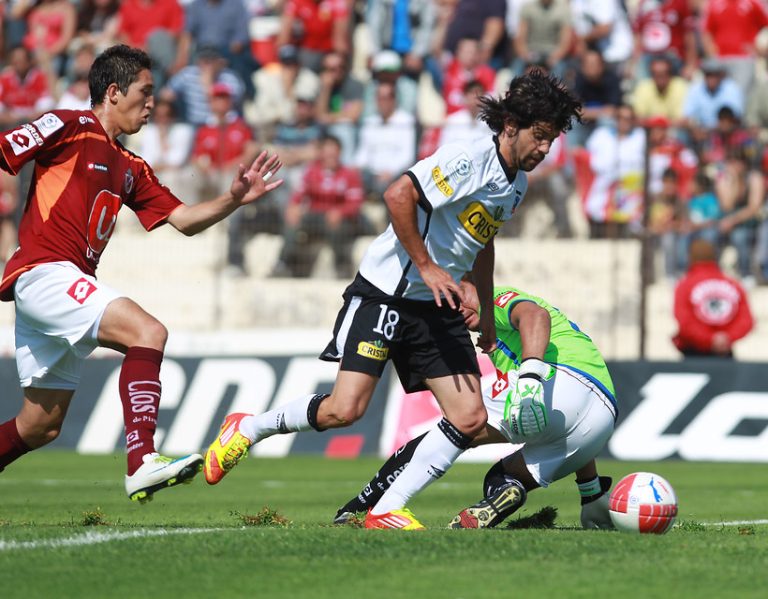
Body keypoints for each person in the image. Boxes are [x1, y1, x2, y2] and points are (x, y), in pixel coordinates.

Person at [204, 70, 582, 529]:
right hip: (388, 293)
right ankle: (248, 428)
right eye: (539, 137)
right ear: (509, 127)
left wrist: (482, 307)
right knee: (346, 410)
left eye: (552, 140)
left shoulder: (515, 183)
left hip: (434, 305)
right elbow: (398, 193)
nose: (544, 149)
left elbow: (484, 241)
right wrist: (426, 265)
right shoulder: (469, 159)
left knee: (469, 416)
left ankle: (386, 510)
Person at [0, 45, 283, 503]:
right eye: (145, 93)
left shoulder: (132, 166)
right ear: (113, 92)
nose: (152, 104)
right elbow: (4, 149)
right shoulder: (69, 126)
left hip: (63, 287)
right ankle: (142, 463)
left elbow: (186, 220)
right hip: (44, 272)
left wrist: (234, 199)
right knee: (148, 331)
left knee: (39, 426)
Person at [334, 280, 617, 530]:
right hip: (600, 420)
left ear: (474, 284)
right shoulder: (506, 341)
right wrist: (589, 490)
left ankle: (363, 505)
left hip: (559, 378)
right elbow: (576, 408)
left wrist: (530, 378)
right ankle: (585, 495)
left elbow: (535, 316)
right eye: (448, 306)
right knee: (502, 478)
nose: (456, 308)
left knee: (455, 430)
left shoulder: (496, 298)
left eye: (459, 296)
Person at [672, 239, 754, 357]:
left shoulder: (685, 285)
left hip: (693, 353)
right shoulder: (733, 284)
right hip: (725, 354)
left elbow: (684, 320)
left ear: (690, 258)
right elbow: (746, 320)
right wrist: (726, 338)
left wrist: (710, 339)